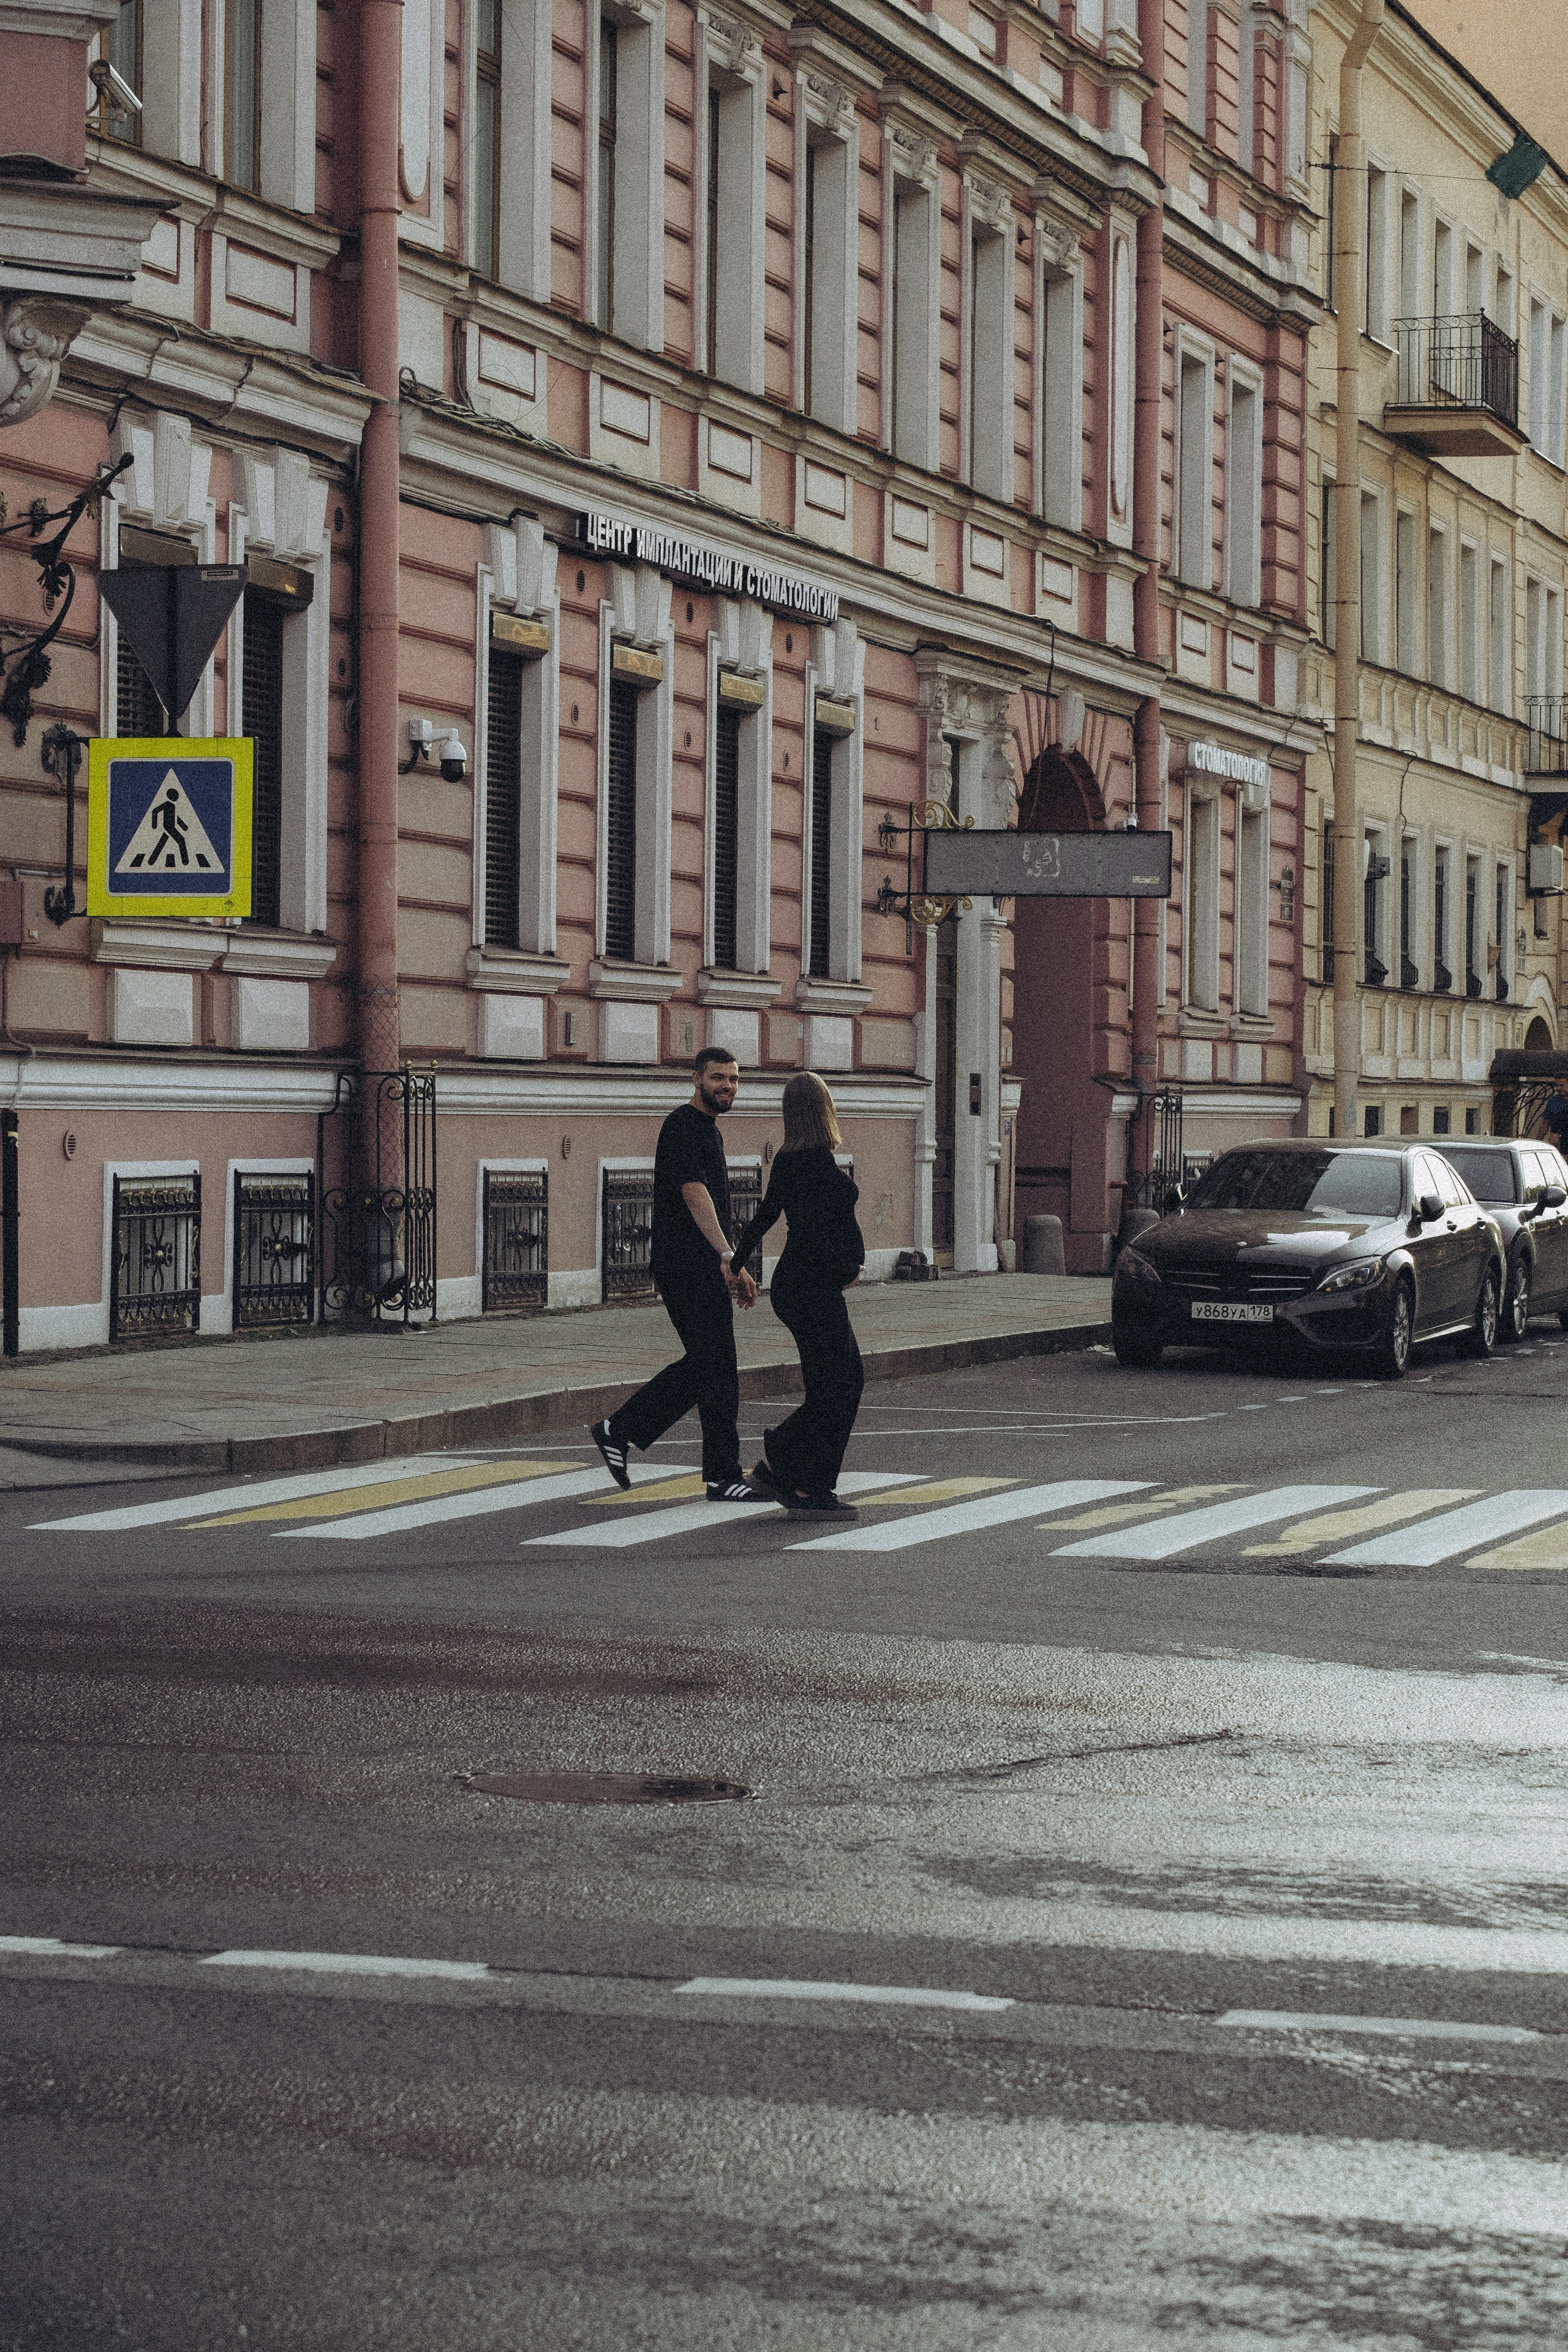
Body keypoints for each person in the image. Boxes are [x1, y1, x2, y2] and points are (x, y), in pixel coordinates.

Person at [590, 1047, 766, 1503]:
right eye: (718, 1078)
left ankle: (624, 1431)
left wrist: (732, 1262)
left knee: (711, 1367)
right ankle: (715, 1472)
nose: (727, 1086)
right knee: (716, 1367)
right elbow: (694, 1194)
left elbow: (712, 1207)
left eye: (733, 1079)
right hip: (684, 1267)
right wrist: (728, 1254)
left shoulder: (708, 1131)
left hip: (700, 1265)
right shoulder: (683, 1127)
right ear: (696, 1079)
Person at [728, 1071, 865, 1513]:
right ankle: (788, 1467)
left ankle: (802, 1480)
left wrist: (737, 1260)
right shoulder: (815, 1164)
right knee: (840, 1387)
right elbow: (808, 1233)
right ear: (824, 1110)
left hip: (800, 1285)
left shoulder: (791, 1160)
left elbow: (767, 1214)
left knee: (836, 1385)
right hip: (813, 1287)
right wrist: (846, 1267)